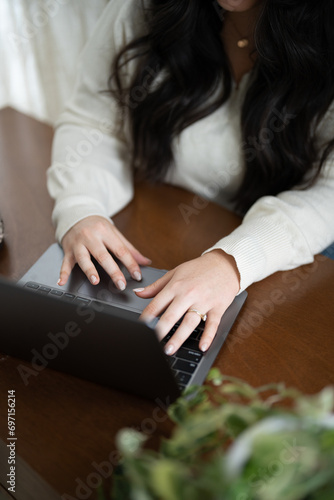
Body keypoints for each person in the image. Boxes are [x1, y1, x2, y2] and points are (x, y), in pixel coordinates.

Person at [47, 0, 334, 356]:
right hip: (159, 217)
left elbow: (329, 193)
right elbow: (93, 122)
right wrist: (81, 204)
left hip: (283, 257)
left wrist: (231, 262)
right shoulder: (143, 8)